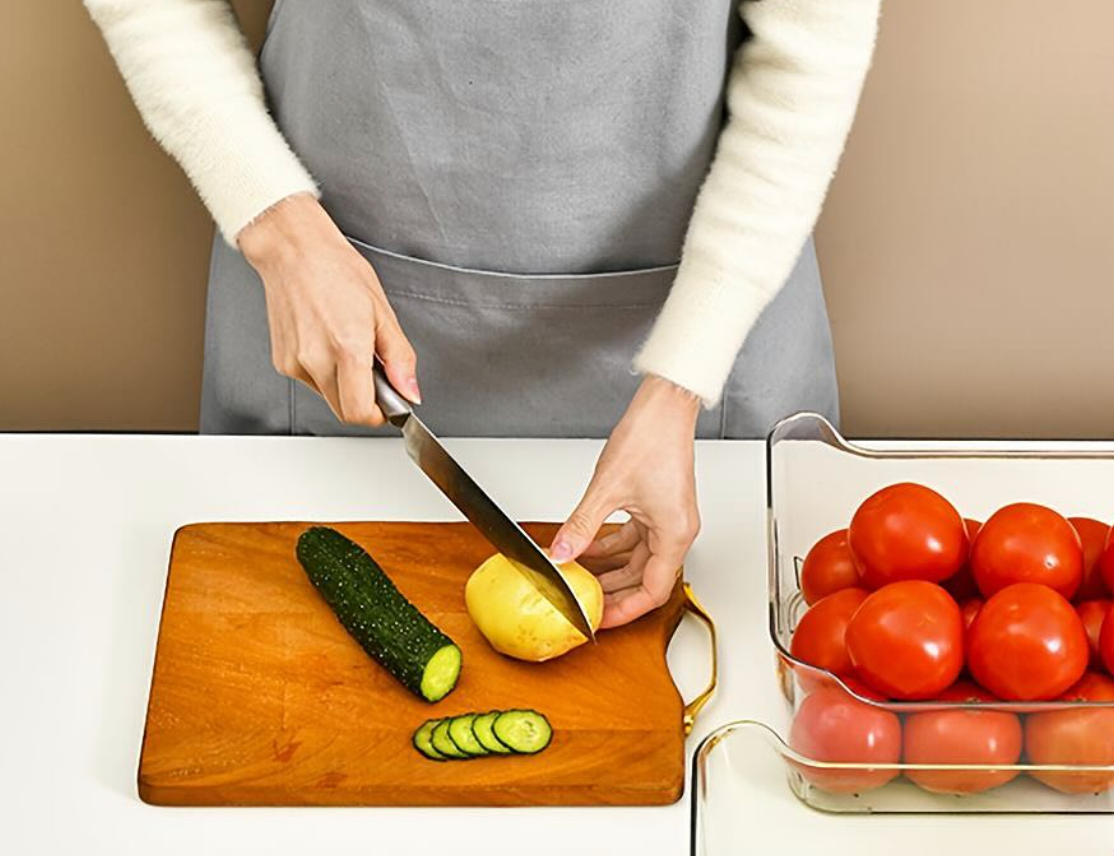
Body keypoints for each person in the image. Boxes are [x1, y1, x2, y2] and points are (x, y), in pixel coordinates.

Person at [86, 0, 880, 626]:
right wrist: (280, 232)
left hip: (702, 370)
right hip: (336, 334)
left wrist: (683, 378)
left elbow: (812, 51)